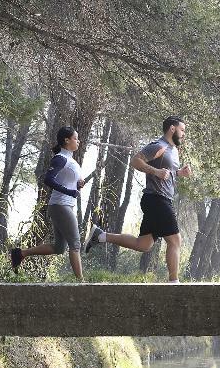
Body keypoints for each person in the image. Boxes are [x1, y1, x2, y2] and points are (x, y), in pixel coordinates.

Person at [85, 115, 191, 282]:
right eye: (182, 130)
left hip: (160, 199)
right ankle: (174, 283)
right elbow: (136, 161)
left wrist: (179, 173)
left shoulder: (173, 150)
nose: (184, 134)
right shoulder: (159, 146)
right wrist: (155, 172)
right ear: (172, 129)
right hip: (157, 199)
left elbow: (166, 173)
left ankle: (101, 236)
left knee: (144, 244)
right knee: (175, 240)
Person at [10, 126, 86, 279]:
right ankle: (81, 283)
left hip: (66, 205)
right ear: (66, 140)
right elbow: (48, 179)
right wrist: (69, 191)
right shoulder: (60, 158)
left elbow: (65, 182)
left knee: (59, 248)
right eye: (75, 138)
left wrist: (77, 185)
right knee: (75, 244)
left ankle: (20, 253)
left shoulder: (71, 160)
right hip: (60, 205)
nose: (78, 141)